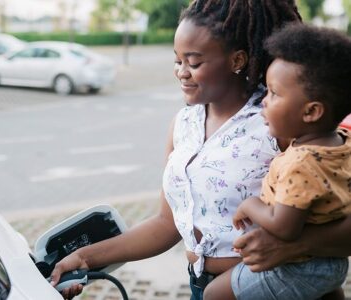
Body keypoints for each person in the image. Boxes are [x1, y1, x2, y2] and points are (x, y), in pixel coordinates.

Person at [48, 1, 324, 299]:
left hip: (265, 287)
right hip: (200, 287)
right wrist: (85, 258)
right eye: (177, 60)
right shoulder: (183, 124)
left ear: (237, 60)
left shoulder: (277, 121)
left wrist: (297, 245)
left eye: (194, 62)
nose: (181, 72)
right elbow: (166, 225)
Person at [203, 23, 351, 300]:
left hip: (299, 266)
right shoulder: (340, 143)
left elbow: (285, 226)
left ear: (311, 112)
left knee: (213, 295)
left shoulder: (302, 162)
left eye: (274, 93)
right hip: (329, 262)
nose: (265, 102)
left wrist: (251, 205)